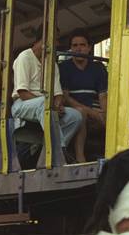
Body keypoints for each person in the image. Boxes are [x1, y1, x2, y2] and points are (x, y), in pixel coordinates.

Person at [11, 33, 83, 162]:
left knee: (76, 116)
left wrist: (57, 105)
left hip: (46, 105)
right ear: (44, 40)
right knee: (43, 104)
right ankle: (59, 151)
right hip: (22, 104)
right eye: (55, 41)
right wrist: (50, 105)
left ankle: (48, 153)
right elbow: (22, 92)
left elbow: (58, 93)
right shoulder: (24, 57)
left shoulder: (51, 63)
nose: (56, 45)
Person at [59, 32, 108, 163]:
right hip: (74, 108)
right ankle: (80, 157)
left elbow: (103, 96)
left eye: (82, 45)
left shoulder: (98, 68)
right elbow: (66, 97)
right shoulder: (64, 68)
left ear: (89, 47)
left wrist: (106, 114)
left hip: (95, 109)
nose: (78, 49)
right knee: (80, 114)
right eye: (75, 45)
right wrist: (92, 112)